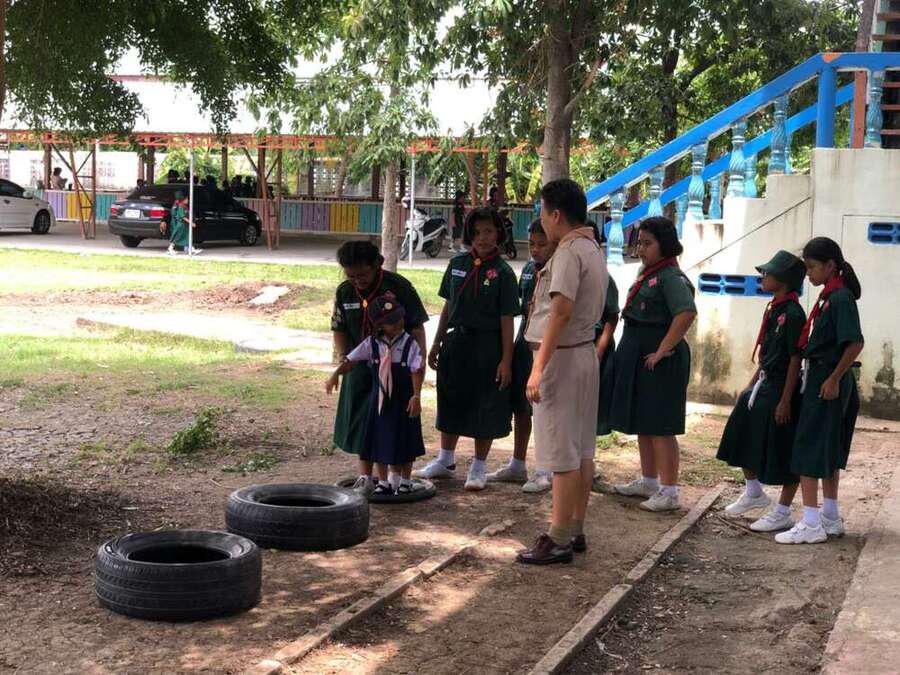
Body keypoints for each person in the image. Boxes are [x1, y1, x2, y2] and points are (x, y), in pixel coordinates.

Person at [516, 178, 607, 565]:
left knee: (562, 454)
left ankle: (557, 538)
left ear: (555, 215)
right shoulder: (592, 247)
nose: (541, 220)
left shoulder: (570, 251)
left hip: (563, 358)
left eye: (542, 212)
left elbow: (561, 312)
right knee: (581, 450)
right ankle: (574, 528)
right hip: (582, 354)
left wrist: (538, 367)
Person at [414, 208, 519, 490]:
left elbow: (506, 320)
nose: (482, 238)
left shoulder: (504, 273)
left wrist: (506, 361)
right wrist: (437, 341)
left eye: (489, 231)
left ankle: (478, 466)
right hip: (457, 342)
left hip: (488, 346)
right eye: (477, 232)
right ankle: (445, 460)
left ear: (498, 234)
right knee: (451, 398)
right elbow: (448, 305)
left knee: (485, 403)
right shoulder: (457, 263)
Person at [775, 237, 864, 545]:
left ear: (830, 265)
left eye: (812, 267)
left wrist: (834, 378)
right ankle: (830, 516)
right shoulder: (829, 296)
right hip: (822, 377)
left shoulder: (839, 298)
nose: (809, 273)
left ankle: (811, 522)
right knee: (826, 448)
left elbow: (855, 343)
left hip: (828, 378)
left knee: (808, 448)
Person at [609, 216, 697, 512]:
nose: (641, 249)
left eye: (648, 244)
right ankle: (649, 481)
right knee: (644, 422)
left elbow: (686, 313)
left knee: (661, 425)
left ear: (665, 244)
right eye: (639, 243)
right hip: (640, 354)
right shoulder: (649, 273)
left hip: (659, 360)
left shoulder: (670, 277)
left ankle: (669, 491)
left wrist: (661, 350)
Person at [716, 251, 806, 532]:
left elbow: (795, 359)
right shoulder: (774, 308)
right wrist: (751, 383)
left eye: (768, 273)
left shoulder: (793, 313)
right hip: (764, 382)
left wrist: (785, 400)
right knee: (740, 432)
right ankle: (754, 491)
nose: (762, 277)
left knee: (782, 448)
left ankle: (783, 511)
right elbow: (767, 355)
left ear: (784, 279)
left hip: (781, 387)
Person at [331, 241, 429, 496]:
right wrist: (343, 359)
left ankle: (397, 477)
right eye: (351, 276)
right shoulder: (345, 291)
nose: (357, 281)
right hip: (359, 365)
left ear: (377, 265)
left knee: (393, 422)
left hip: (396, 368)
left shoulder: (399, 287)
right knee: (363, 423)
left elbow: (416, 326)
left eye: (362, 274)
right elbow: (339, 328)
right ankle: (366, 476)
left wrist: (419, 361)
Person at [486, 219, 556, 492]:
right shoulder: (528, 269)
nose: (535, 250)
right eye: (531, 244)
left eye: (542, 244)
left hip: (546, 346)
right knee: (520, 405)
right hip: (523, 341)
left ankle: (545, 469)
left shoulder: (560, 269)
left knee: (543, 408)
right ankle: (518, 464)